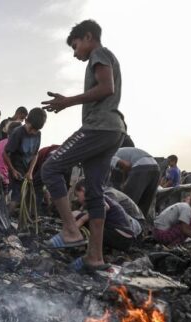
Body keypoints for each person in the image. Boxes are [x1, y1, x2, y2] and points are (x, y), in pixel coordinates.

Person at [40, 20, 126, 273]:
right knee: (94, 192)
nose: (75, 53)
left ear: (88, 37)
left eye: (75, 46)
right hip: (114, 130)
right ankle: (95, 257)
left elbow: (106, 87)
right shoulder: (104, 56)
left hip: (99, 126)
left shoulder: (99, 54)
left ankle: (70, 230)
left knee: (50, 167)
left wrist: (68, 101)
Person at [73, 180, 138, 251]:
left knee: (77, 215)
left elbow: (105, 207)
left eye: (77, 195)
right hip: (125, 239)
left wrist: (81, 220)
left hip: (120, 237)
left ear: (83, 189)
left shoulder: (96, 196)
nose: (77, 199)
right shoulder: (102, 196)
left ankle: (74, 240)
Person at [4, 108, 47, 203]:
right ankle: (7, 216)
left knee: (29, 195)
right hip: (16, 167)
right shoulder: (18, 132)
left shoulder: (38, 134)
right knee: (17, 195)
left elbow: (35, 154)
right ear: (26, 121)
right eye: (31, 128)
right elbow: (5, 153)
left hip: (27, 168)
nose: (32, 132)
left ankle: (22, 216)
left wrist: (30, 172)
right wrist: (13, 170)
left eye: (36, 130)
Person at [110, 147, 160, 218]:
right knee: (144, 205)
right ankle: (142, 226)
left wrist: (124, 182)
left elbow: (126, 165)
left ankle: (125, 225)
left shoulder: (110, 156)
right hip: (155, 167)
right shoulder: (121, 151)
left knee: (128, 203)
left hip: (141, 166)